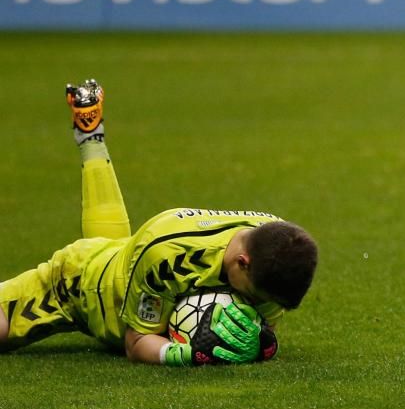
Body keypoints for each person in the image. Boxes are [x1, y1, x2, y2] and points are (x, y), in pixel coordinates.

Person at [0, 80, 319, 367]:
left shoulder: (276, 247)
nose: (259, 305)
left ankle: (91, 136)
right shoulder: (169, 254)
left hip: (129, 261)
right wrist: (183, 354)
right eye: (256, 296)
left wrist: (263, 342)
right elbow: (136, 341)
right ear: (242, 262)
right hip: (80, 286)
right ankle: (90, 137)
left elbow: (265, 322)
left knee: (116, 246)